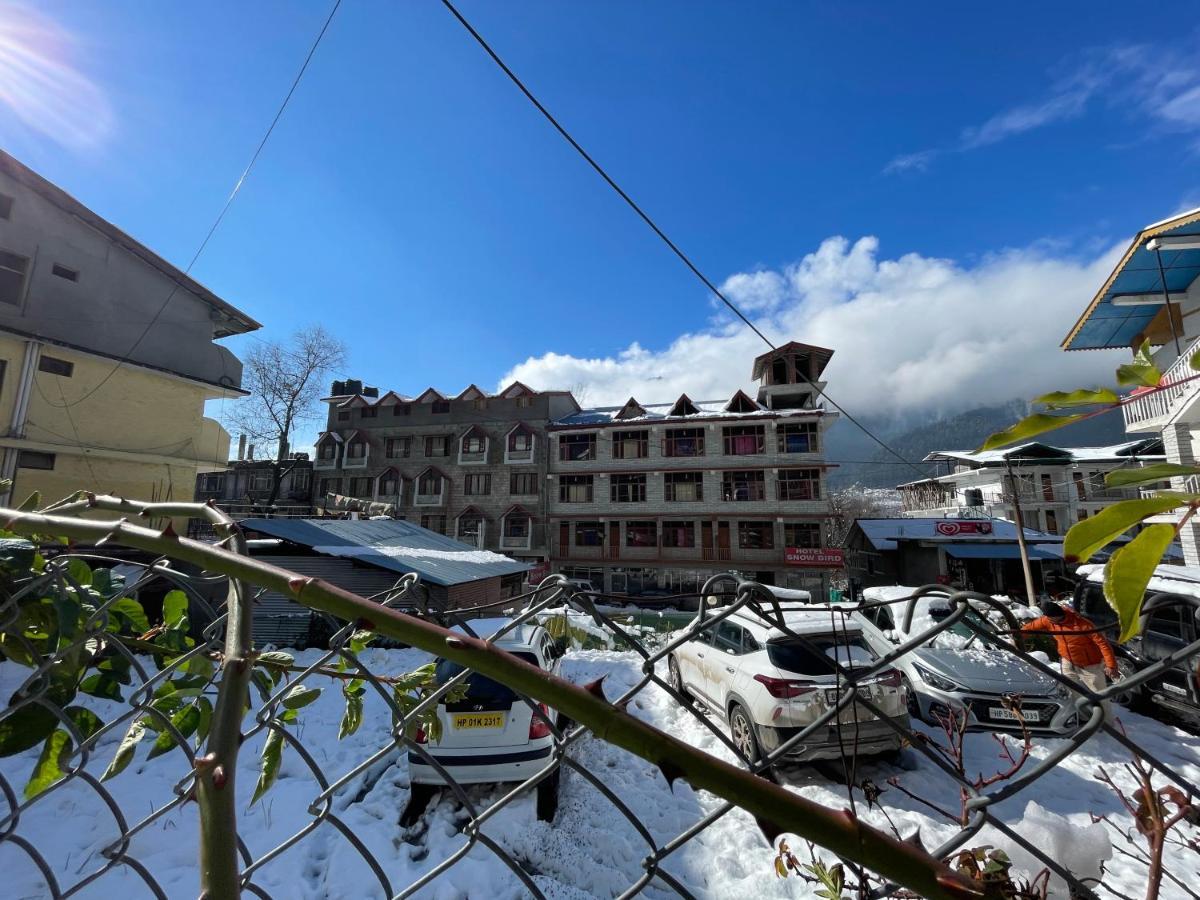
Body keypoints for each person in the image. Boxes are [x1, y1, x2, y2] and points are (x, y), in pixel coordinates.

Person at [1021, 601, 1118, 692]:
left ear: (1057, 616)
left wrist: (1111, 665)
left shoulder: (1083, 625)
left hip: (1089, 665)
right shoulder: (1048, 620)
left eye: (1050, 618)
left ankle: (1103, 709)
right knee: (1073, 691)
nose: (1048, 619)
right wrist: (1018, 636)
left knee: (1099, 693)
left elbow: (1103, 644)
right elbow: (1031, 627)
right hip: (1067, 661)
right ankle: (1081, 708)